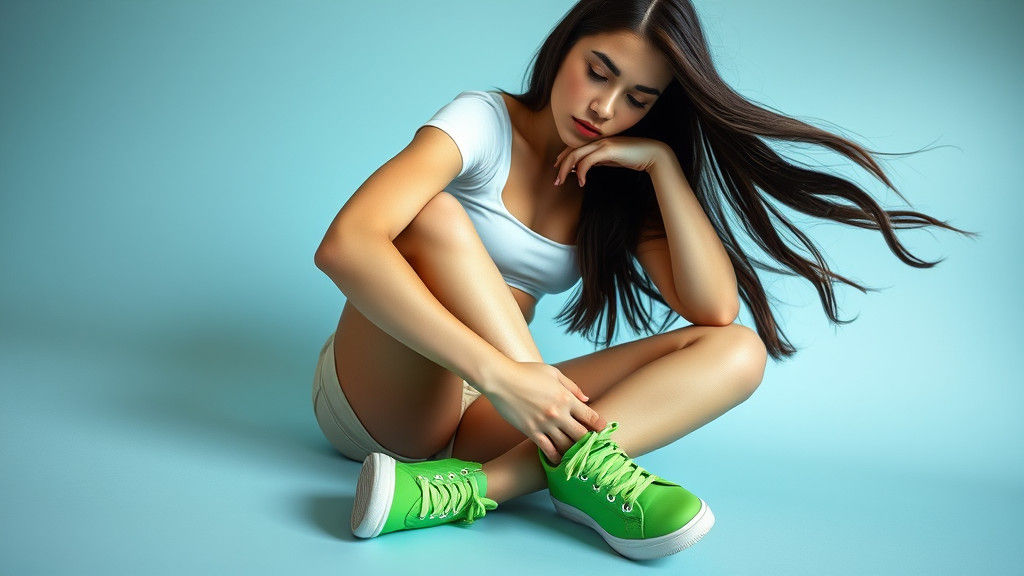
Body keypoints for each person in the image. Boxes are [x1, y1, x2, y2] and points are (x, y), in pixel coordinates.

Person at [311, 0, 975, 561]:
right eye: (597, 72)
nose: (604, 108)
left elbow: (714, 308)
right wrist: (502, 376)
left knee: (737, 349)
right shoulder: (483, 123)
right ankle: (572, 465)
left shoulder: (612, 179)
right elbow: (346, 245)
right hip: (385, 394)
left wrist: (660, 167)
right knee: (434, 215)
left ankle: (478, 488)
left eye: (637, 99)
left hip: (505, 411)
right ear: (563, 48)